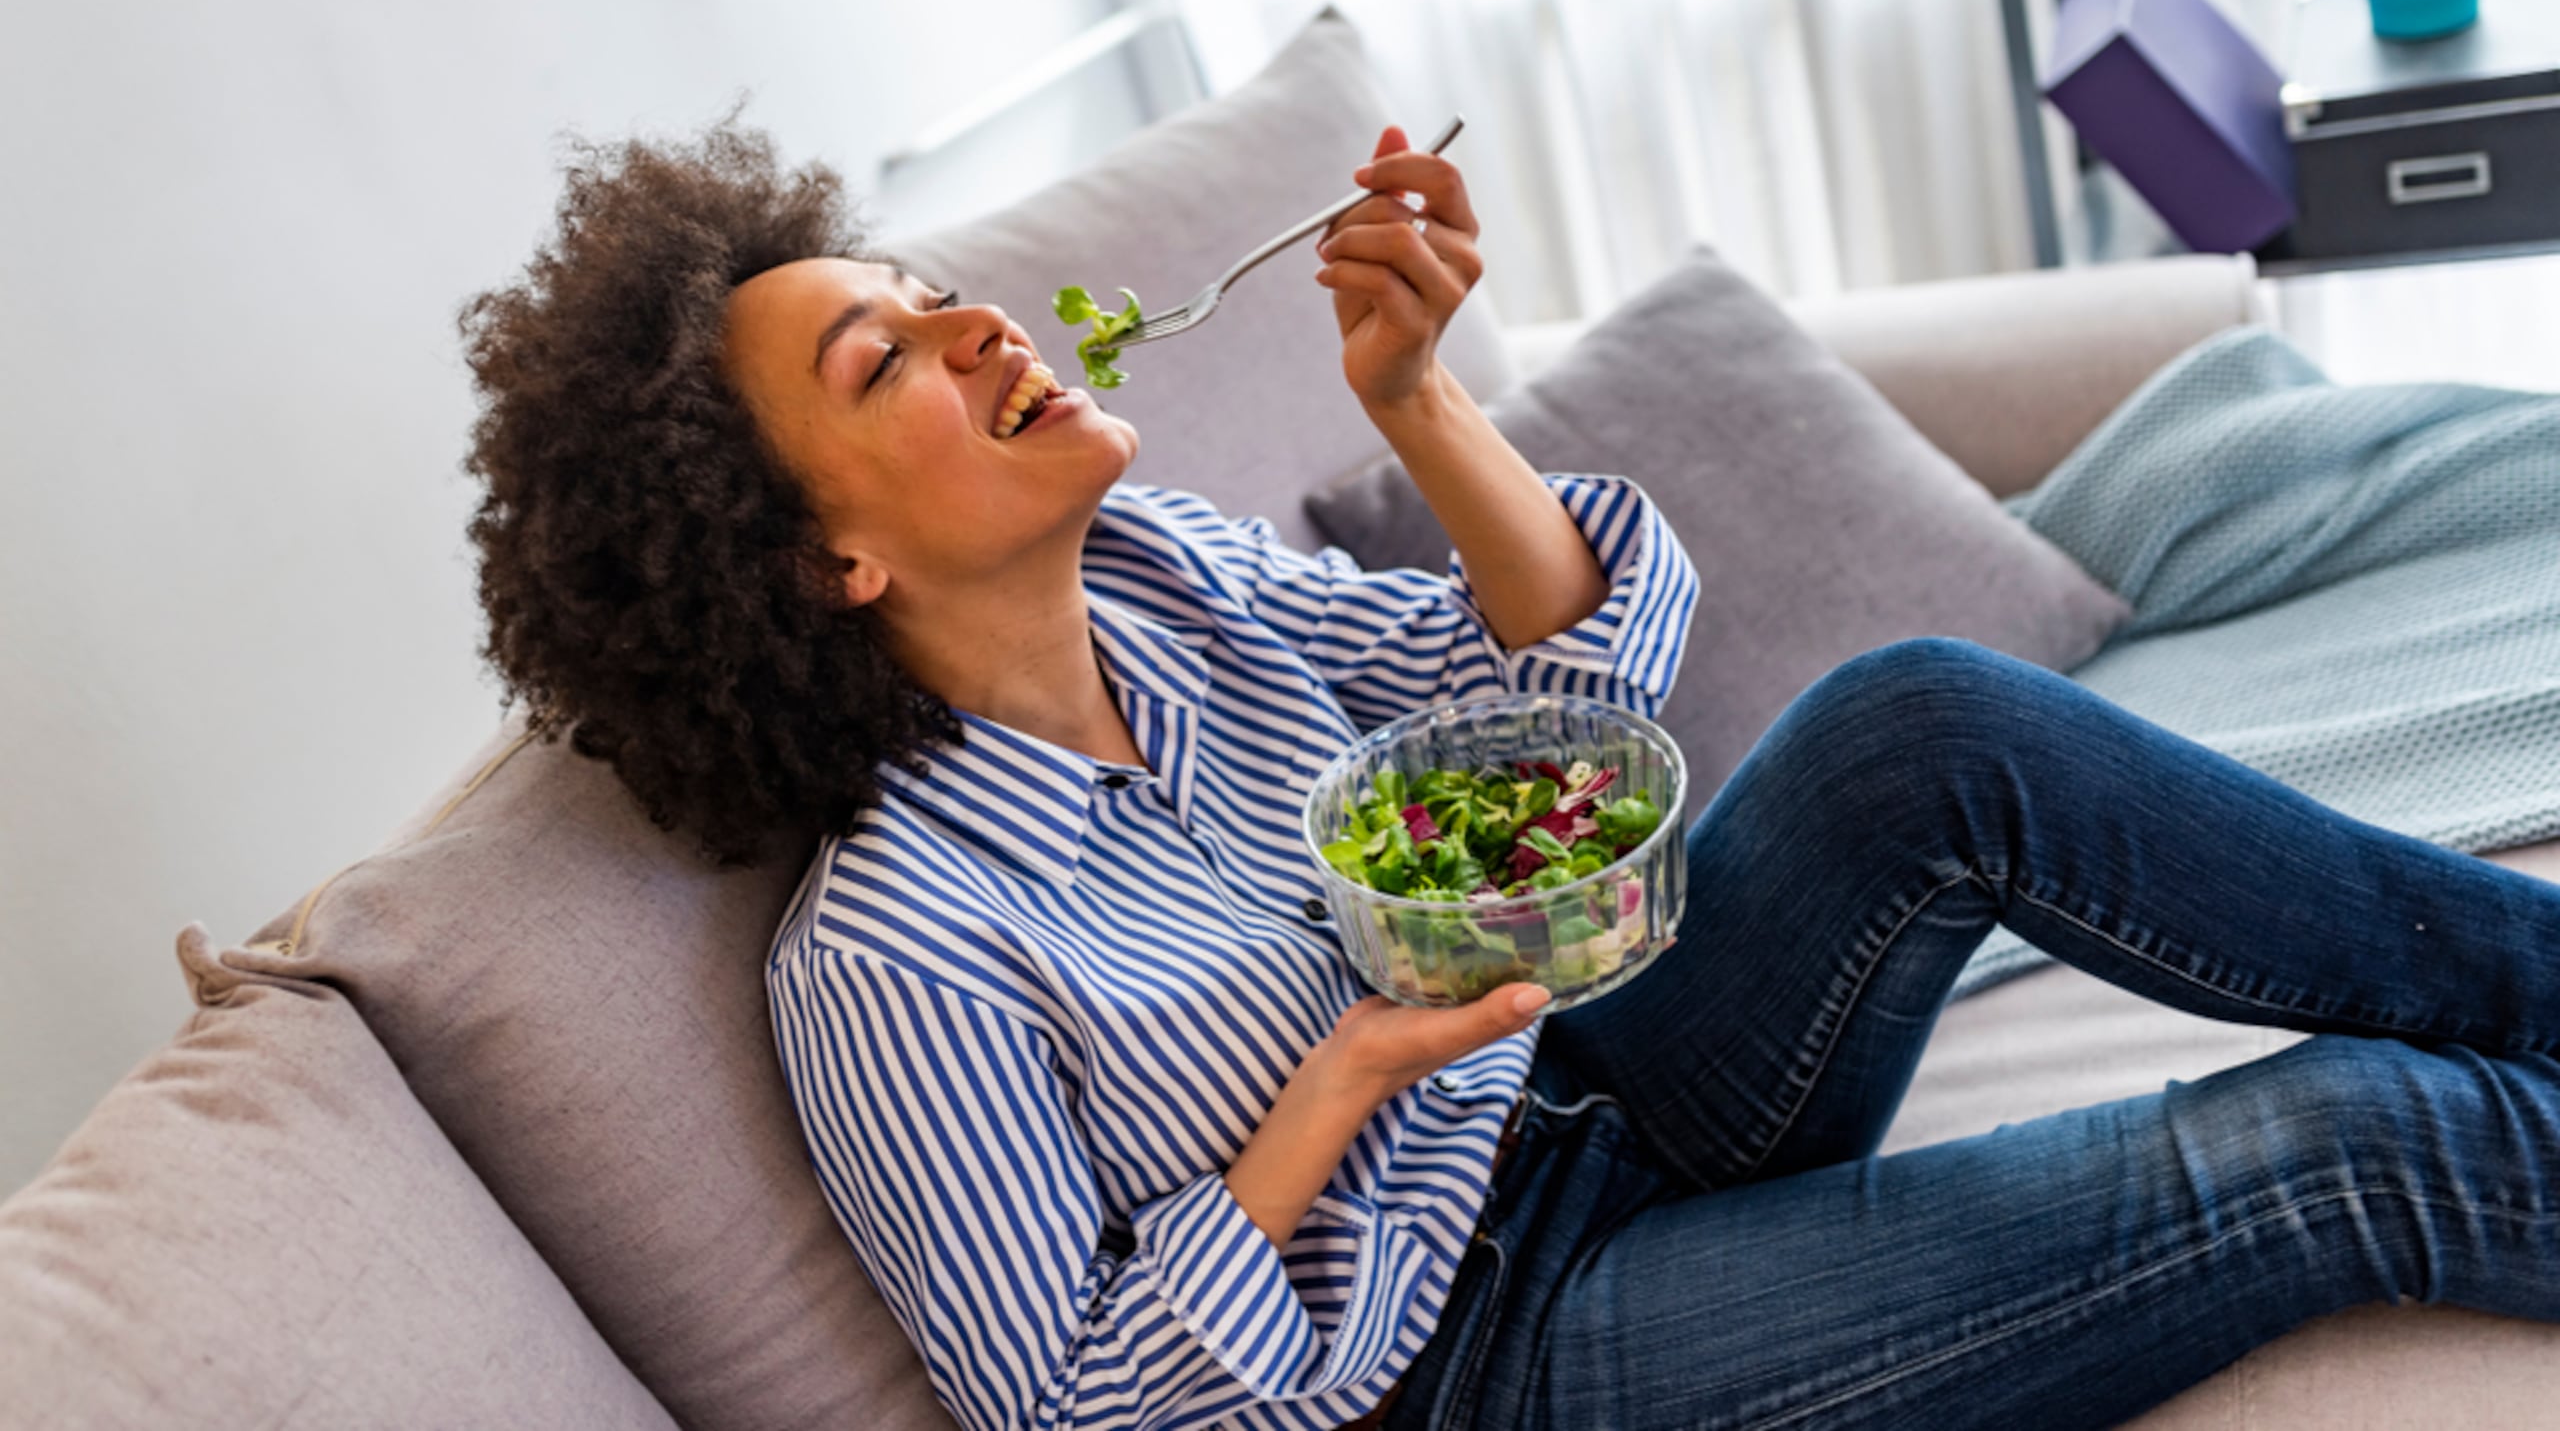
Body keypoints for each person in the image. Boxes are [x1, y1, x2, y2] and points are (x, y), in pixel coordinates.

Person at [458, 107, 2560, 1431]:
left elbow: (1571, 686)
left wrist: (1419, 393)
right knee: (2337, 1144)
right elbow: (1080, 1403)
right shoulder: (896, 948)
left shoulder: (1173, 584)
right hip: (1489, 1354)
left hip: (1592, 1080)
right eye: (886, 359)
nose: (978, 327)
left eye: (933, 294)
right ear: (823, 556)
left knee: (1918, 720)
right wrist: (1344, 1076)